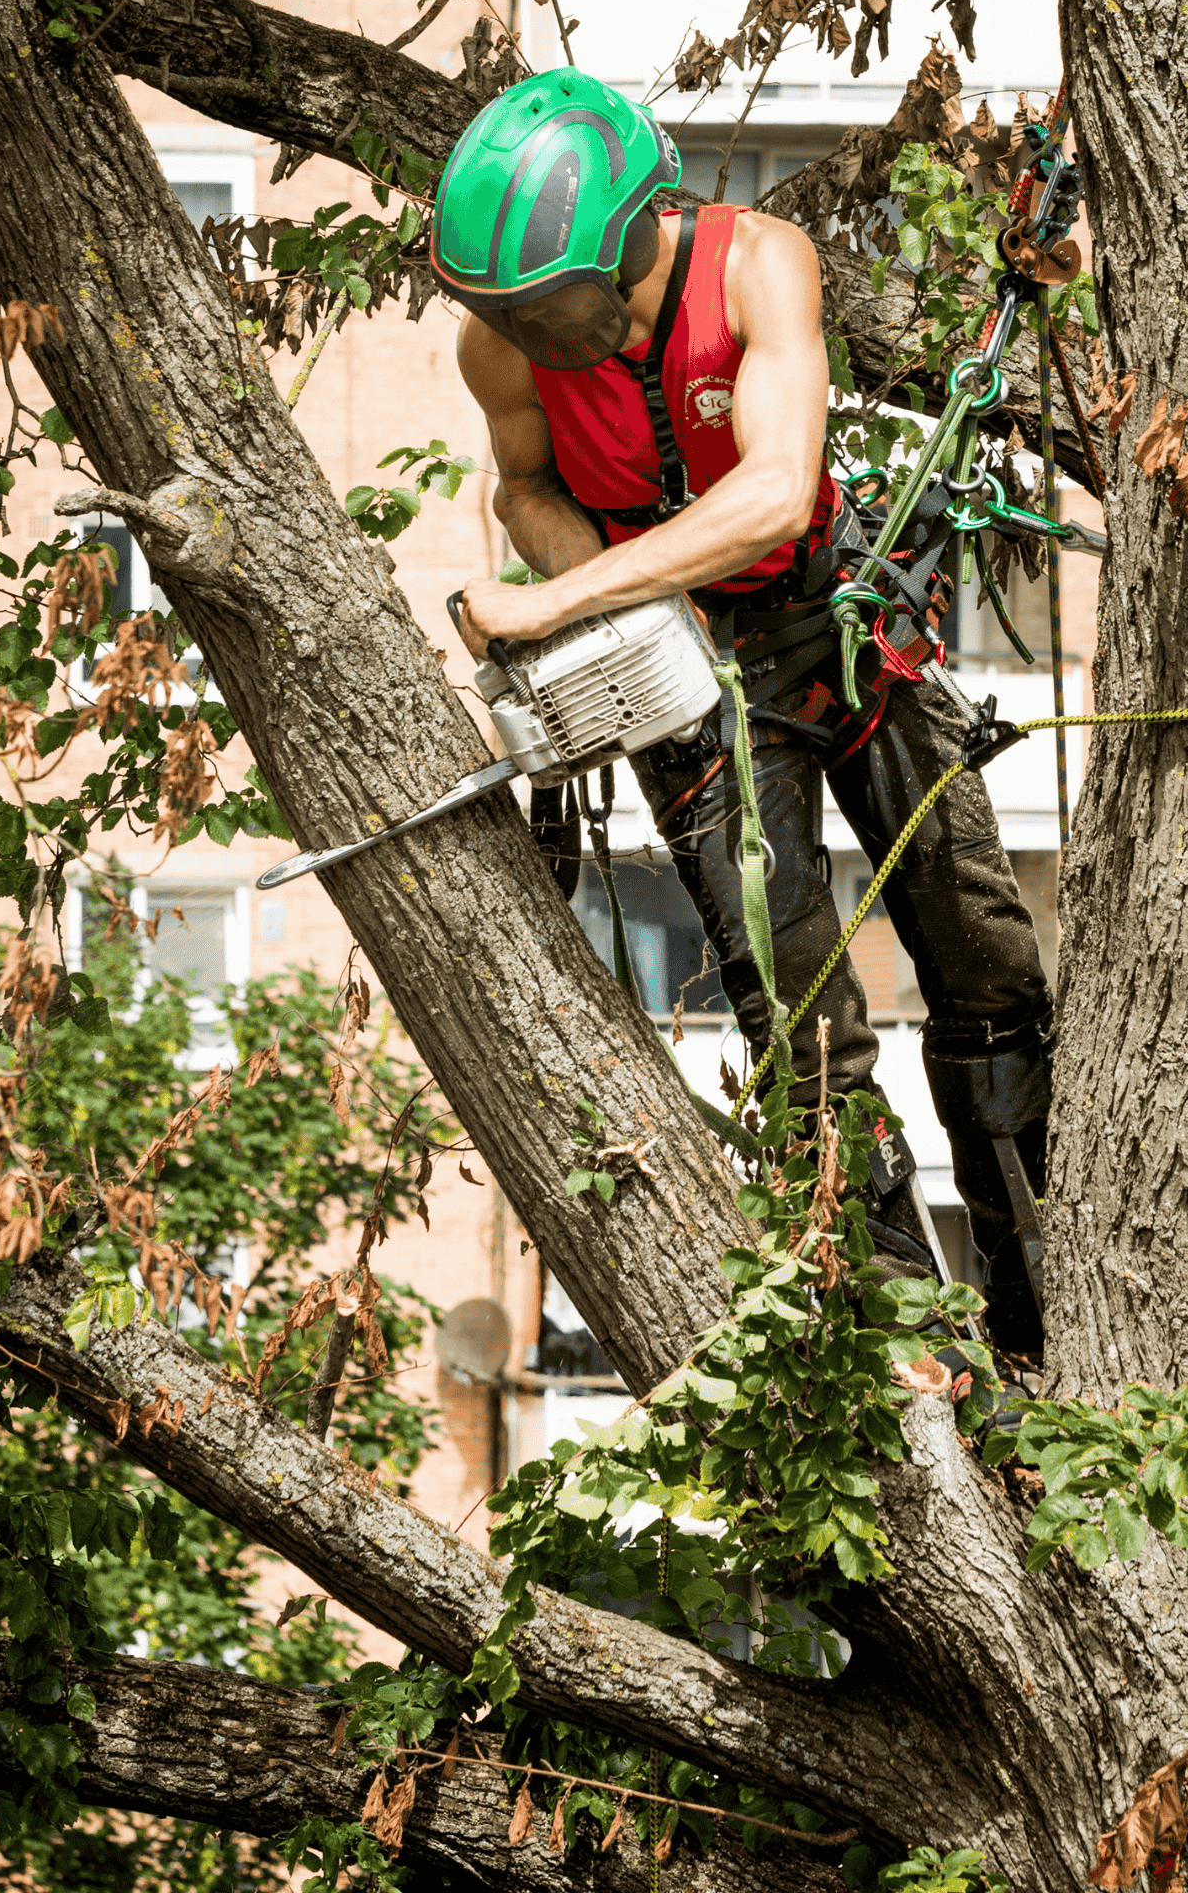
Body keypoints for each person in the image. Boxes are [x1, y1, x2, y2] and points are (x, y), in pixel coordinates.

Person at [434, 66, 1052, 1357]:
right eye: (516, 315)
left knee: (982, 962)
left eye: (556, 305)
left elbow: (774, 492)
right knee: (802, 1032)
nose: (539, 337)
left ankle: (1038, 1302)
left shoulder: (759, 266)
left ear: (632, 235)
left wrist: (562, 607)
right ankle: (913, 1349)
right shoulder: (502, 343)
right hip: (689, 670)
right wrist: (616, 604)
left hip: (828, 616)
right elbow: (525, 492)